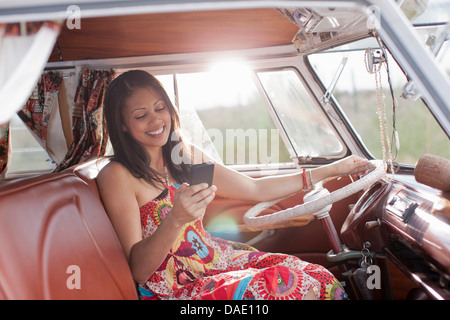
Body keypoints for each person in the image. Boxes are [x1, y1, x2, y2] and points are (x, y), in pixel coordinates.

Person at [97, 70, 370, 300]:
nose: (156, 121)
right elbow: (139, 270)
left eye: (160, 108)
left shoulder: (183, 153)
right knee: (291, 285)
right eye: (140, 115)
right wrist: (176, 220)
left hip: (215, 260)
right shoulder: (117, 175)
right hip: (176, 286)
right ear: (121, 125)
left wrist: (331, 170)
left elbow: (254, 189)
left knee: (316, 275)